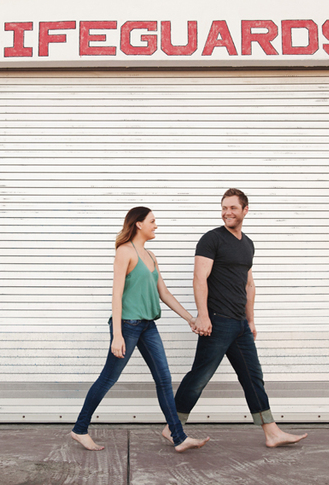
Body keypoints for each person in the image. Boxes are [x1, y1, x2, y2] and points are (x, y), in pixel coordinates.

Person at [165, 189, 308, 448]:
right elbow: (199, 278)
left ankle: (271, 432)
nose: (227, 212)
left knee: (253, 377)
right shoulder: (211, 239)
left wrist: (250, 320)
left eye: (232, 208)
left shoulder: (247, 244)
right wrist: (203, 315)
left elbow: (249, 285)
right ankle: (172, 428)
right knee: (199, 377)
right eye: (224, 207)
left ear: (245, 210)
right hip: (218, 321)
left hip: (239, 324)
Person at [70, 207, 210, 453]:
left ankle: (178, 437)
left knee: (164, 380)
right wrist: (117, 335)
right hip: (127, 325)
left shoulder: (151, 255)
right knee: (108, 379)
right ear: (138, 224)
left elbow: (163, 292)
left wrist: (191, 318)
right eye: (152, 221)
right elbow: (115, 295)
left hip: (148, 326)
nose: (156, 225)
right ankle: (80, 429)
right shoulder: (125, 252)